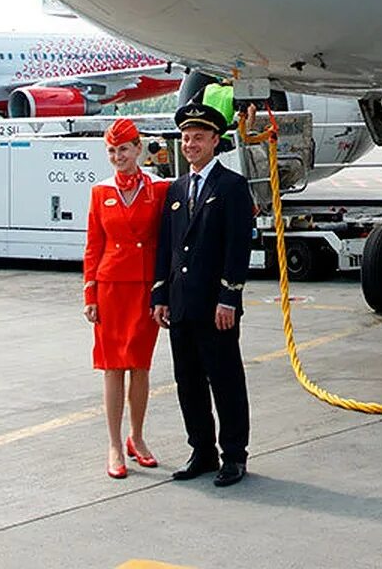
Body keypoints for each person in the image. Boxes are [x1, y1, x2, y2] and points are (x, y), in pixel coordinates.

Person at [152, 100, 254, 488]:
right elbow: (167, 246)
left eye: (198, 137)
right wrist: (160, 296)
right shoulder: (177, 189)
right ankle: (202, 450)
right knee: (188, 382)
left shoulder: (231, 186)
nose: (190, 144)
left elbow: (237, 246)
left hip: (216, 307)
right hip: (181, 305)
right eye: (185, 138)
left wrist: (229, 297)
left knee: (225, 381)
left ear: (215, 140)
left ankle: (234, 455)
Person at [83, 117, 171, 479]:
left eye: (124, 149)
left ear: (139, 149)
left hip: (145, 287)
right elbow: (93, 245)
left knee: (140, 365)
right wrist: (90, 292)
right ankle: (115, 444)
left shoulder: (159, 188)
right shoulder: (100, 192)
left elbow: (169, 238)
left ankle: (138, 436)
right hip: (111, 287)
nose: (118, 156)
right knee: (112, 367)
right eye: (112, 150)